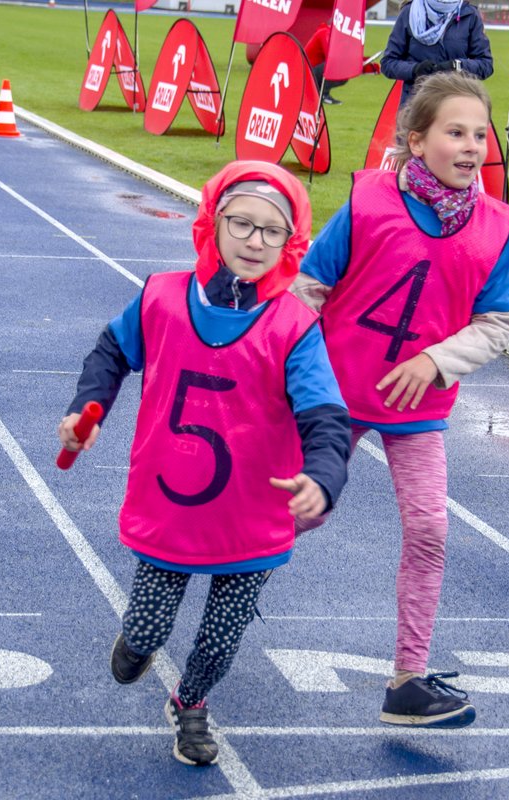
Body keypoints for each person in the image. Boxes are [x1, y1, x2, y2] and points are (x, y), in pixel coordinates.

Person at [58, 161, 351, 766]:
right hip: (172, 504)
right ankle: (139, 643)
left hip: (252, 513)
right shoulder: (162, 297)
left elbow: (325, 413)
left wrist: (323, 476)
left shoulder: (295, 326)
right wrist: (88, 409)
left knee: (222, 637)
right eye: (241, 223)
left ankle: (191, 701)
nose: (254, 241)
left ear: (291, 241)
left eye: (273, 231)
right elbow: (111, 353)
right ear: (211, 224)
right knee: (145, 631)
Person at [291, 71, 509, 728]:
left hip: (417, 408)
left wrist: (436, 360)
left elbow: (497, 323)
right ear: (416, 141)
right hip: (333, 396)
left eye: (481, 133)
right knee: (304, 512)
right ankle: (228, 578)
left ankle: (408, 680)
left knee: (429, 530)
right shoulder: (367, 203)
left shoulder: (494, 226)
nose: (472, 145)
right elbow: (310, 286)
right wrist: (291, 369)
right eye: (456, 132)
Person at [380, 0, 493, 109]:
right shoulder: (409, 12)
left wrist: (457, 66)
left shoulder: (470, 15)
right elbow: (388, 63)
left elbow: (485, 65)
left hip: (456, 105)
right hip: (416, 106)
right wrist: (415, 69)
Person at [304, 20, 381, 106]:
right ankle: (323, 94)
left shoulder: (334, 35)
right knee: (340, 69)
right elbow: (333, 58)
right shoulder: (325, 33)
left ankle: (320, 94)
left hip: (311, 72)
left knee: (342, 69)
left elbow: (350, 58)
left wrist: (373, 67)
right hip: (306, 74)